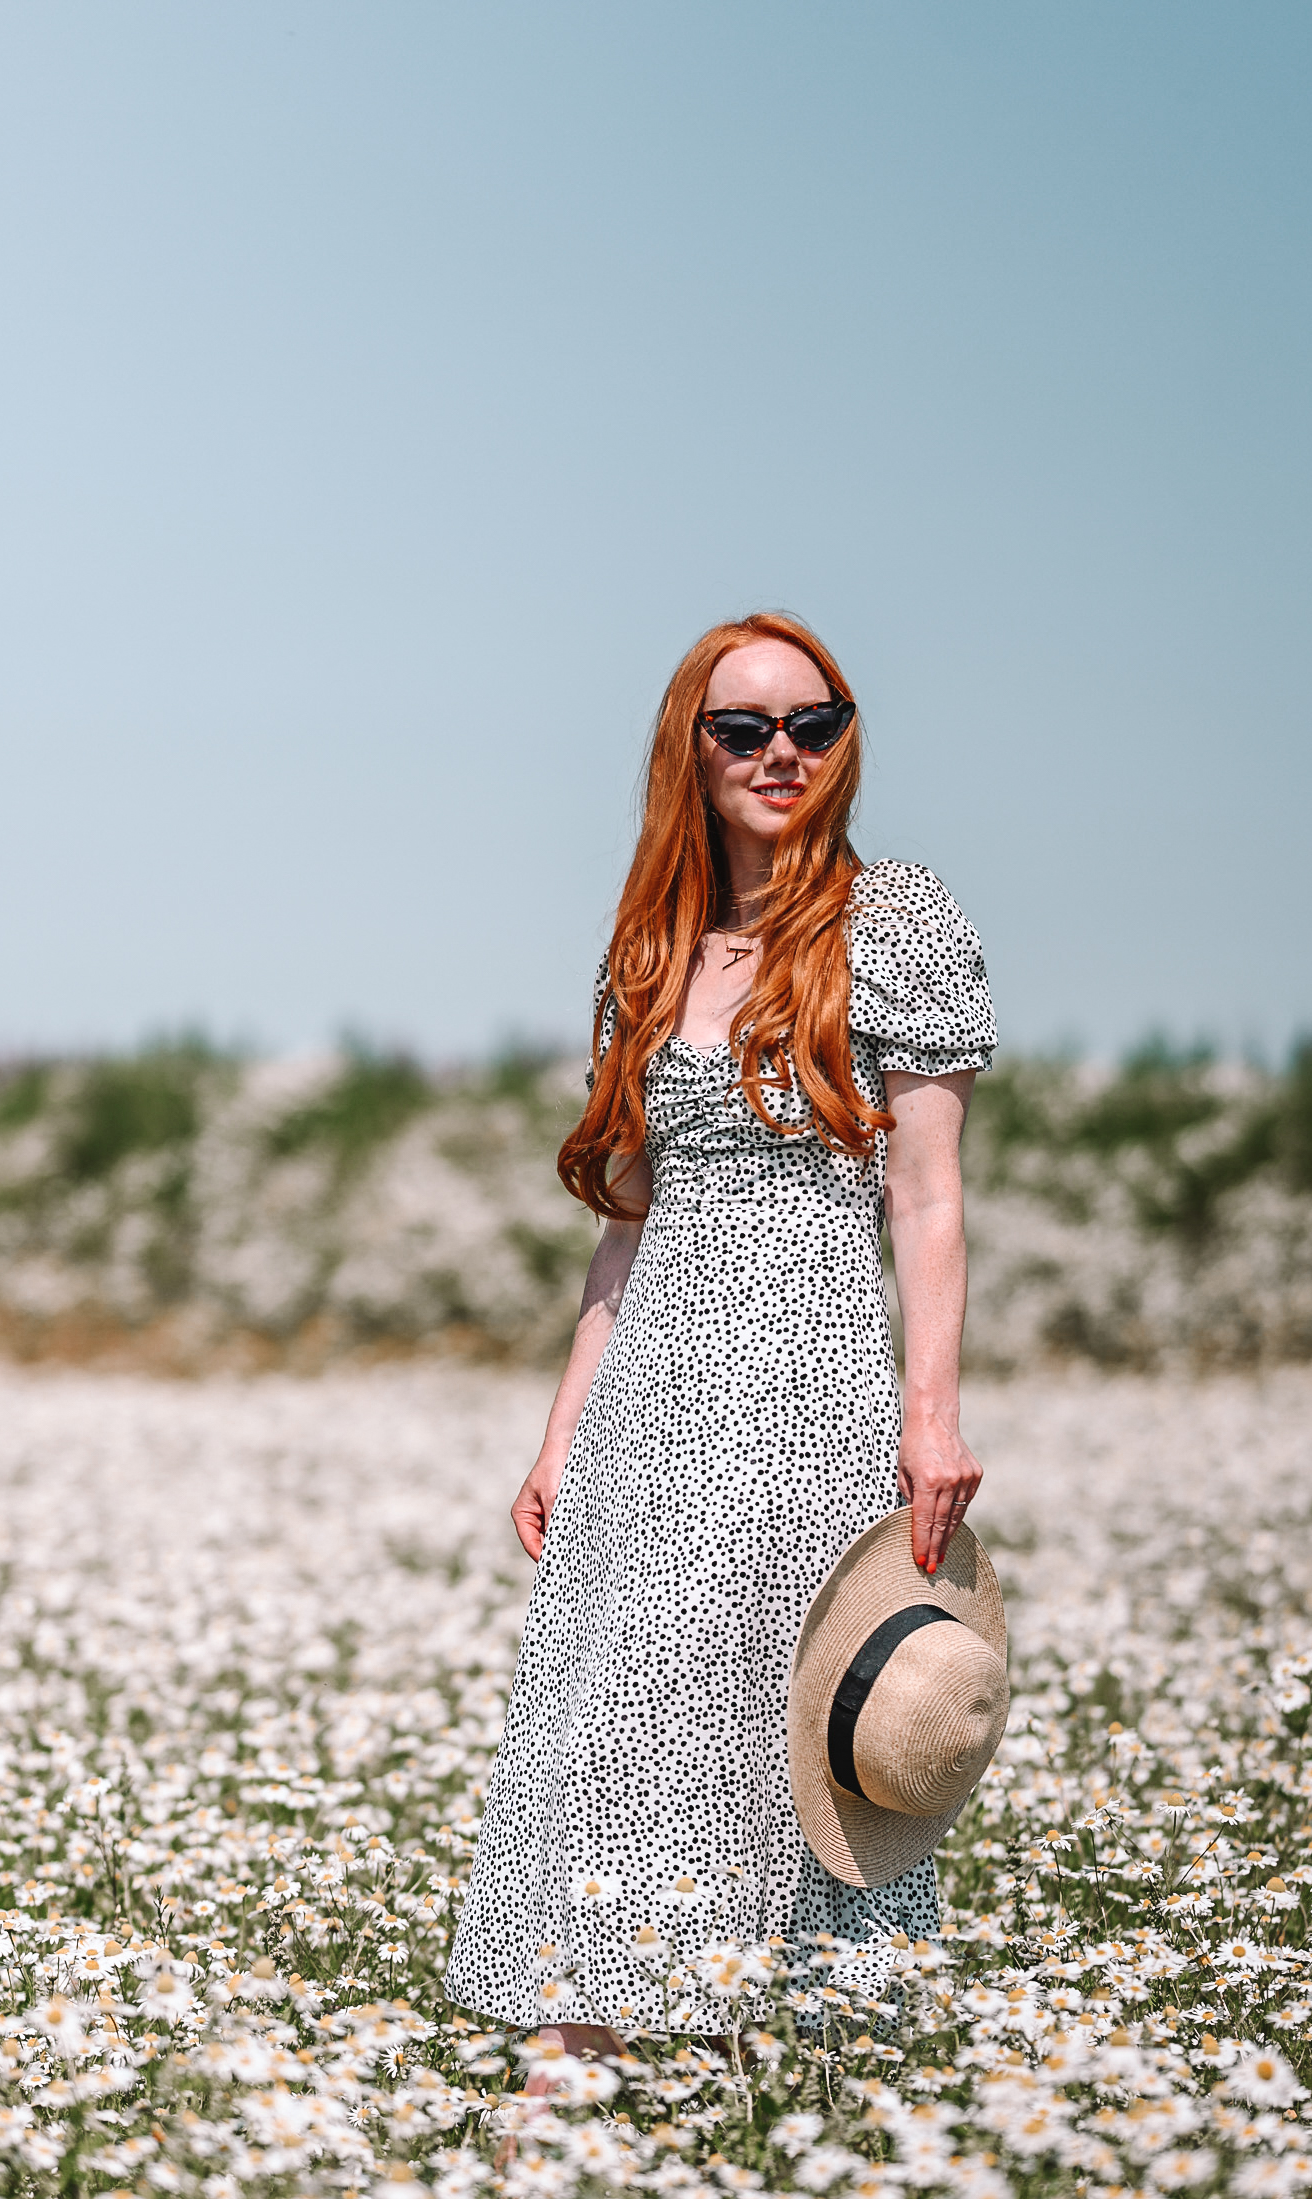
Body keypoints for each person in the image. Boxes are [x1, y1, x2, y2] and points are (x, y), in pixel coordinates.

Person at [445, 610, 993, 2071]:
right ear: (690, 747)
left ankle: (788, 2064)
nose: (783, 755)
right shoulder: (650, 950)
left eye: (814, 724)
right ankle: (592, 2045)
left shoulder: (899, 923)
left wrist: (931, 1421)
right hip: (656, 1396)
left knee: (772, 1709)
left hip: (807, 1380)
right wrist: (563, 1433)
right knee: (627, 1712)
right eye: (744, 728)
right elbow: (624, 1228)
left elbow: (929, 1199)